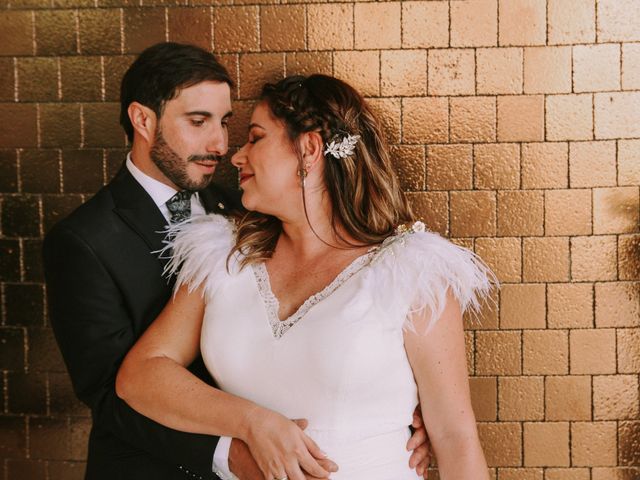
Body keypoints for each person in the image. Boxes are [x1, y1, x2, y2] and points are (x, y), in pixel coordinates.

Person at [44, 43, 431, 480]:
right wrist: (232, 452)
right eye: (198, 121)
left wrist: (393, 399)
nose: (222, 145)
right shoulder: (82, 240)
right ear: (143, 120)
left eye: (226, 123)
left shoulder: (248, 209)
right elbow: (110, 396)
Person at [116, 74, 495, 479]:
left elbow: (455, 438)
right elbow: (141, 374)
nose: (236, 156)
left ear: (309, 149)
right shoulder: (223, 257)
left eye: (256, 138)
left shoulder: (412, 273)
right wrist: (251, 422)